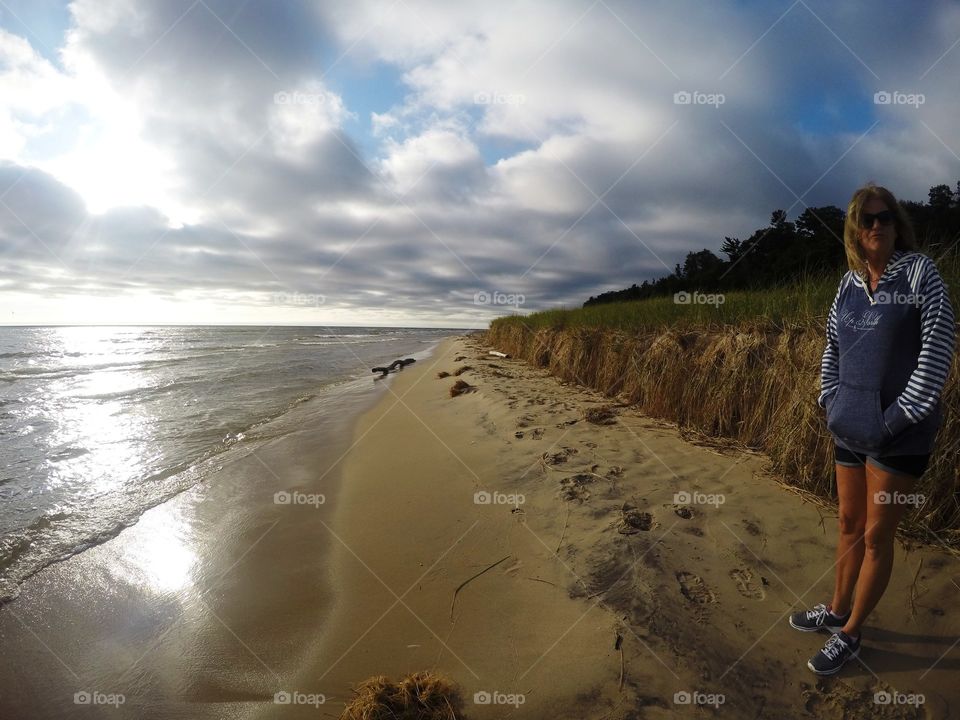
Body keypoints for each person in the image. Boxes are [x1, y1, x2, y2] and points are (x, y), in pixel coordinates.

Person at [789, 182, 956, 675]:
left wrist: (896, 417)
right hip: (849, 425)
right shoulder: (848, 284)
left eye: (885, 218)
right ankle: (836, 608)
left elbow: (938, 349)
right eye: (868, 220)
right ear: (856, 232)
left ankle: (852, 632)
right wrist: (830, 399)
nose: (877, 226)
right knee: (847, 524)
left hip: (901, 434)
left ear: (897, 224)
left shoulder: (921, 272)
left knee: (878, 536)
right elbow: (831, 346)